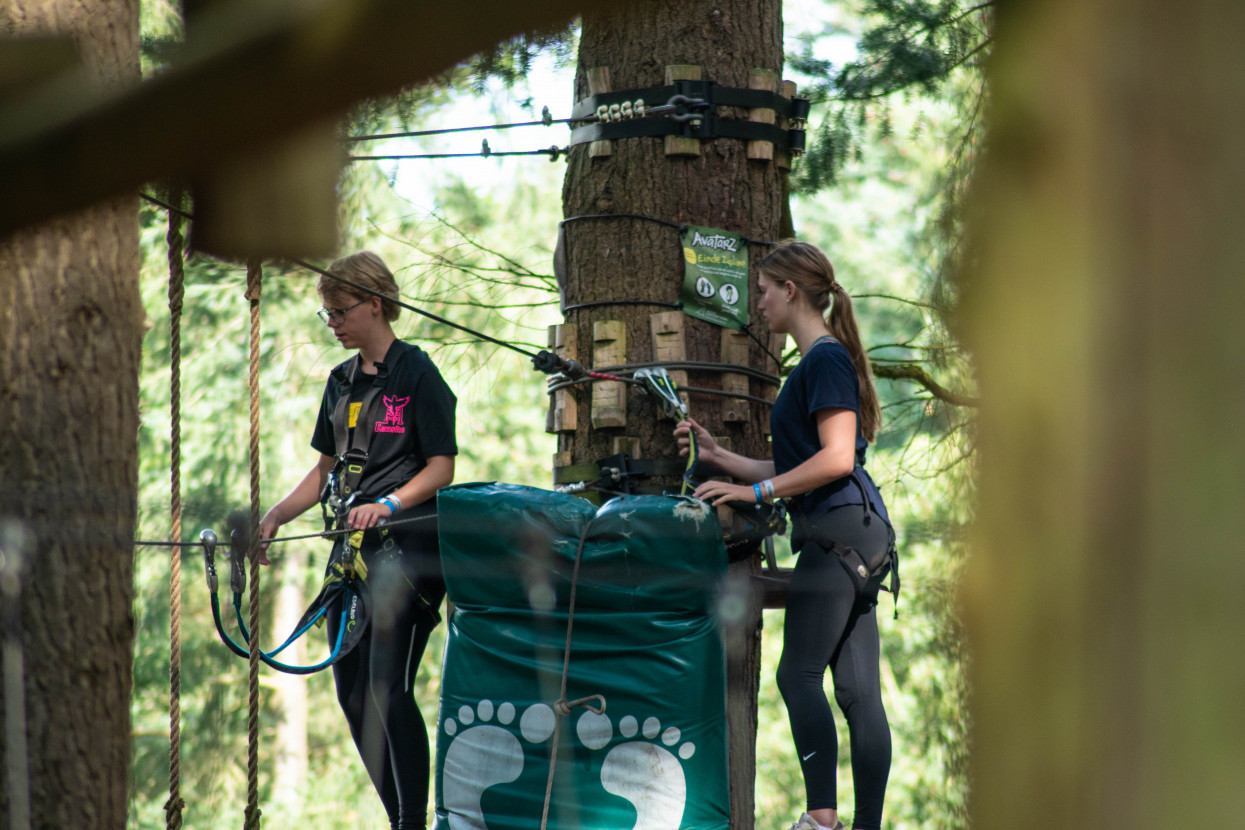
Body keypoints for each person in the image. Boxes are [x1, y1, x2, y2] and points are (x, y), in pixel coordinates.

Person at [675, 241, 893, 830]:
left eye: (765, 291)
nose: (759, 304)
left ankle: (821, 820)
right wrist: (728, 461)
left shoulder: (823, 359)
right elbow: (802, 462)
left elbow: (838, 458)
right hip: (861, 535)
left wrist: (755, 496)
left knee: (796, 675)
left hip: (838, 531)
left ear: (790, 291)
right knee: (855, 693)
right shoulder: (821, 361)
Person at [259, 251, 457, 830]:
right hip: (351, 554)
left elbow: (441, 467)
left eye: (340, 311)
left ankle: (412, 823)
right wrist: (277, 514)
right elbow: (324, 471)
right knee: (351, 697)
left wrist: (388, 504)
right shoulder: (341, 382)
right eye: (327, 315)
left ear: (376, 303)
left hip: (409, 550)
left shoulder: (418, 374)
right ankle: (398, 815)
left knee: (386, 688)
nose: (335, 324)